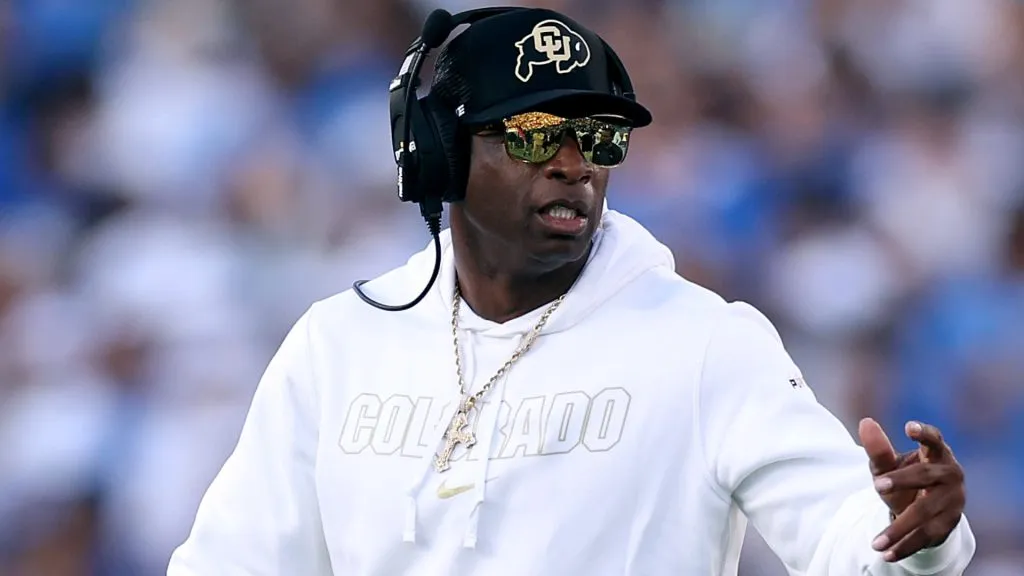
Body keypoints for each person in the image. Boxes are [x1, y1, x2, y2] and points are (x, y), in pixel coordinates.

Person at [167, 7, 976, 575]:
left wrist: (922, 538)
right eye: (534, 134)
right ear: (442, 151)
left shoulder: (706, 343)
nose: (574, 163)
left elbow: (847, 535)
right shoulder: (337, 345)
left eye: (597, 135)